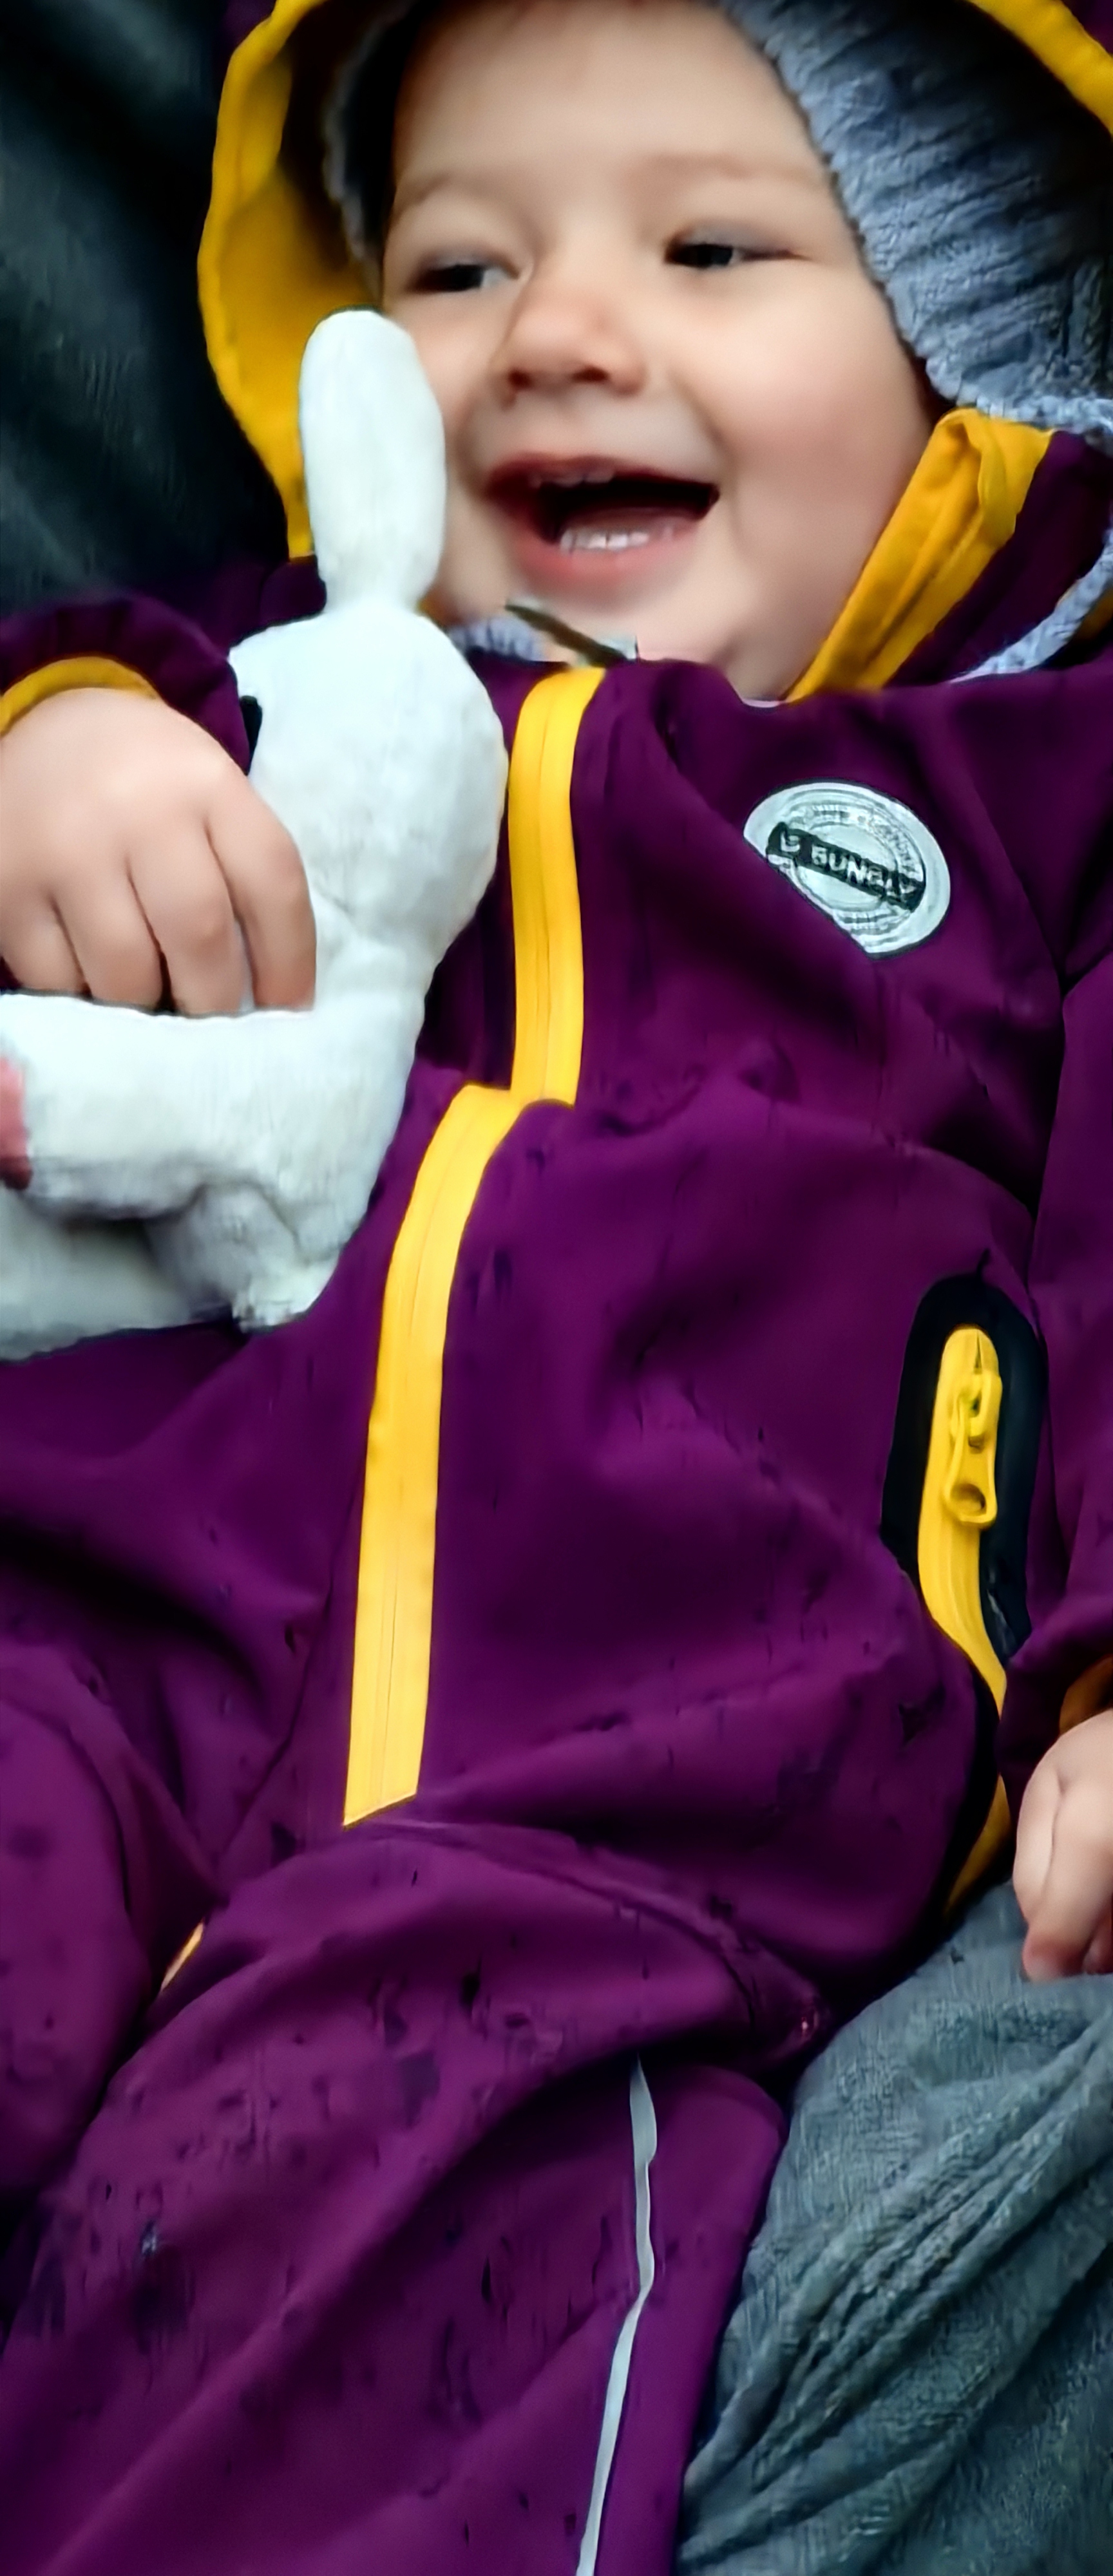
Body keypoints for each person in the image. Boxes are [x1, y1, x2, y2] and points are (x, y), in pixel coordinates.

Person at [0, 3, 1110, 2569]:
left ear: (980, 364)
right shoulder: (263, 684)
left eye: (710, 250)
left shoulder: (1041, 806)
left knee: (362, 2242)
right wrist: (56, 753)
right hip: (96, 1627)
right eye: (457, 266)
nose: (558, 333)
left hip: (628, 1786)